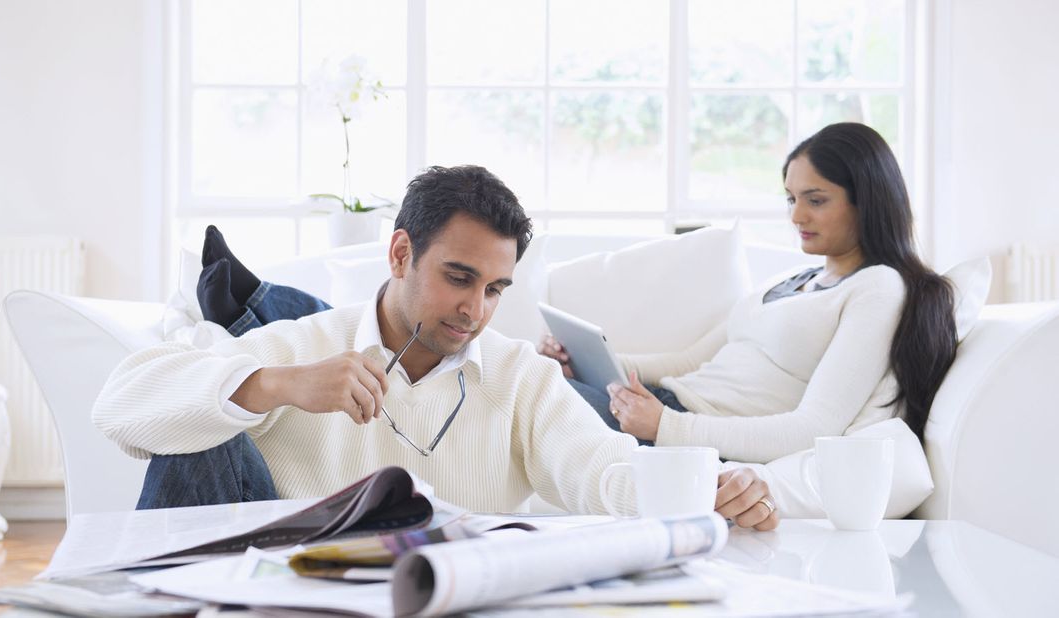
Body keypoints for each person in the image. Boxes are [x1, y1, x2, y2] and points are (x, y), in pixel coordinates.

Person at [93, 165, 780, 530]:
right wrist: (274, 386)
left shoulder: (518, 376)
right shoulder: (304, 347)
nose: (474, 310)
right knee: (201, 425)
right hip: (281, 584)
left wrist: (705, 492)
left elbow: (602, 470)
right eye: (458, 278)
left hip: (434, 592)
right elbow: (119, 407)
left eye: (495, 289)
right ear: (400, 253)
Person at [542, 123, 957, 464]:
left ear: (867, 200)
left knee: (516, 389)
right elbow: (689, 360)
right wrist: (589, 361)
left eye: (816, 200)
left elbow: (813, 427)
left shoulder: (877, 288)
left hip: (689, 435)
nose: (796, 216)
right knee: (528, 375)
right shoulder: (796, 276)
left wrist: (666, 426)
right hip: (662, 409)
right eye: (792, 198)